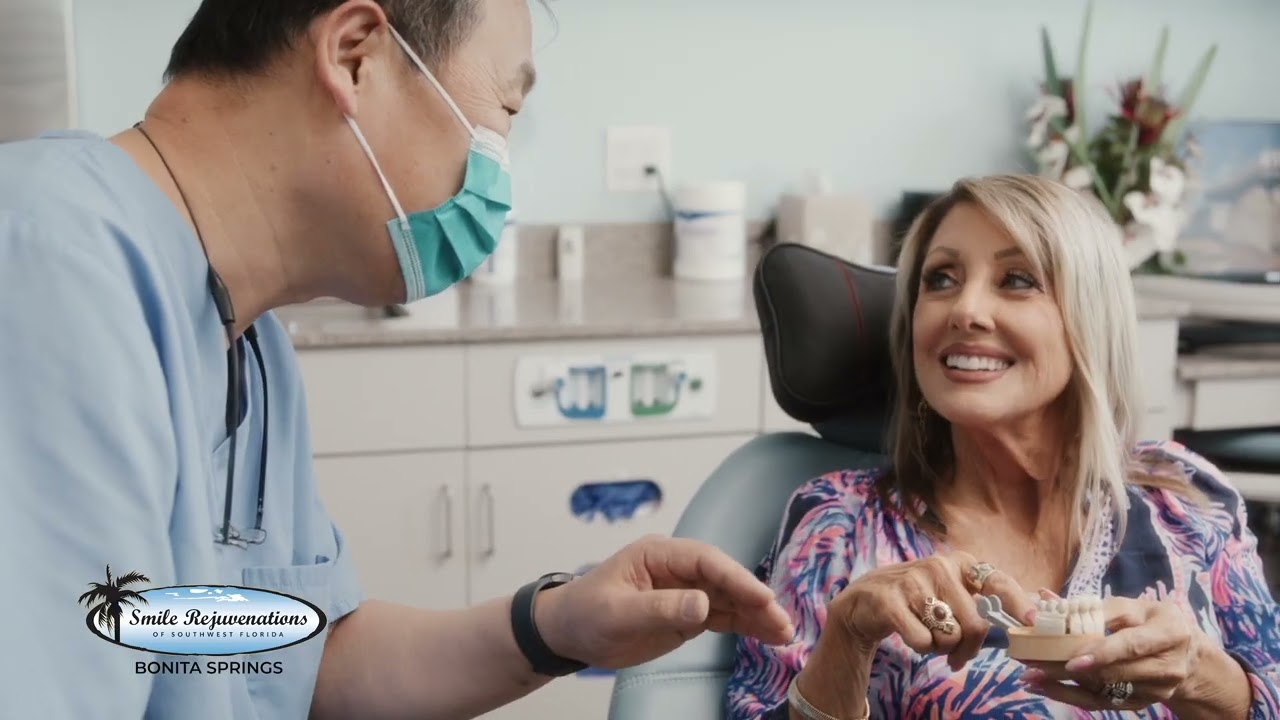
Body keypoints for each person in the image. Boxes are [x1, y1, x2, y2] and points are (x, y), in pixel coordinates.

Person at [0, 1, 795, 718]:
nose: (499, 176)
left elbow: (304, 666)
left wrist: (556, 624)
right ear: (355, 56)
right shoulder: (49, 263)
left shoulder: (250, 343)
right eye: (504, 110)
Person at [726, 175, 1280, 719]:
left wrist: (1200, 677)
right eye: (940, 279)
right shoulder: (837, 527)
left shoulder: (1189, 499)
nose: (965, 309)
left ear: (1090, 318)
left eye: (1017, 279)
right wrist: (847, 640)